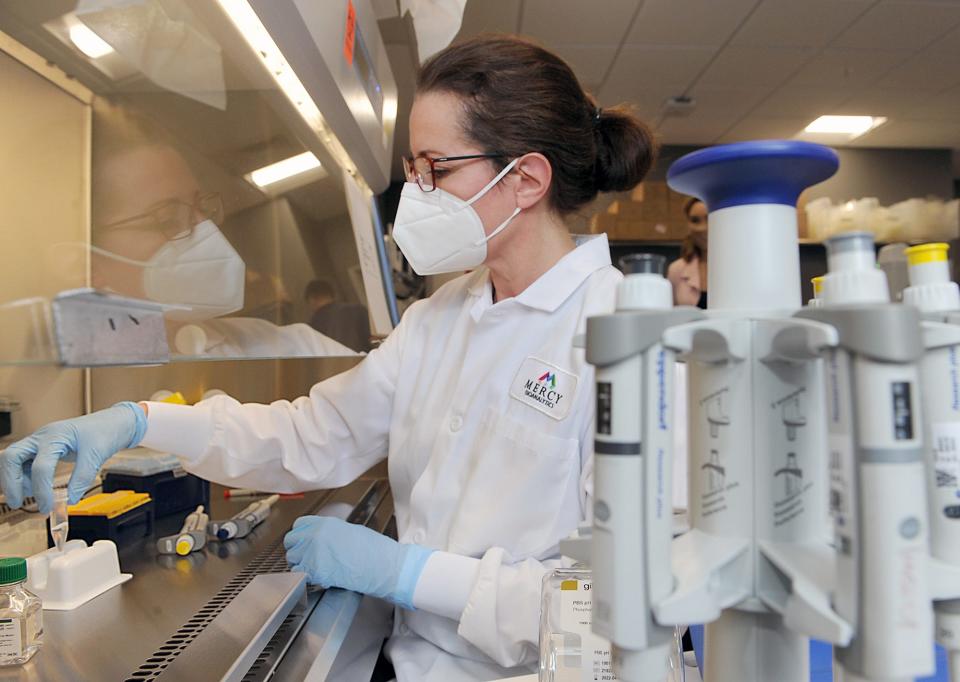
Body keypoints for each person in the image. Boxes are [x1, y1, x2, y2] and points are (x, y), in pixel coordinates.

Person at [1, 35, 655, 681]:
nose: (417, 193)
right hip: (411, 664)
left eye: (438, 169)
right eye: (413, 169)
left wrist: (410, 572)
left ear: (527, 180)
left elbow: (618, 604)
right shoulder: (438, 320)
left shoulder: (630, 339)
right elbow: (313, 434)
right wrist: (144, 422)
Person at [86, 137, 355, 358]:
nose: (205, 230)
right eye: (166, 218)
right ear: (90, 262)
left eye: (200, 208)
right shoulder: (71, 384)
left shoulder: (280, 345)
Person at [304, 279, 372, 352]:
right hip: (366, 359)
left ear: (311, 299)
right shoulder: (358, 310)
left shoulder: (310, 329)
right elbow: (374, 340)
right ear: (333, 294)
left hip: (339, 363)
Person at [667, 197, 708, 308]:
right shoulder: (676, 270)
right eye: (695, 220)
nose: (701, 228)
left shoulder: (738, 267)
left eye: (709, 218)